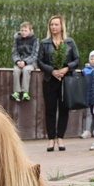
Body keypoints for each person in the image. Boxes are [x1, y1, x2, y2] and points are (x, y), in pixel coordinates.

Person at [37, 15, 80, 152]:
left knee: (63, 110)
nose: (54, 27)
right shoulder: (44, 43)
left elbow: (77, 59)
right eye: (51, 25)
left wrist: (66, 68)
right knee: (50, 110)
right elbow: (40, 61)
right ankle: (51, 139)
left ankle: (60, 137)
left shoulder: (69, 42)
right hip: (50, 81)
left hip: (66, 81)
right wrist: (52, 71)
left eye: (56, 24)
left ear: (62, 26)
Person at [10, 22, 39, 102]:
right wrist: (18, 61)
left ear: (30, 31)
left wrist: (25, 62)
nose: (23, 32)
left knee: (26, 70)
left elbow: (35, 54)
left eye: (25, 30)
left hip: (30, 62)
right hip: (19, 61)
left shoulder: (35, 39)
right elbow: (14, 52)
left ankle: (25, 92)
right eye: (22, 30)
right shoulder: (17, 39)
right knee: (16, 70)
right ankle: (16, 92)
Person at [80, 50, 94, 139]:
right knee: (89, 113)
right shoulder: (85, 71)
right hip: (88, 95)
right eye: (91, 58)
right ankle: (87, 130)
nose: (93, 60)